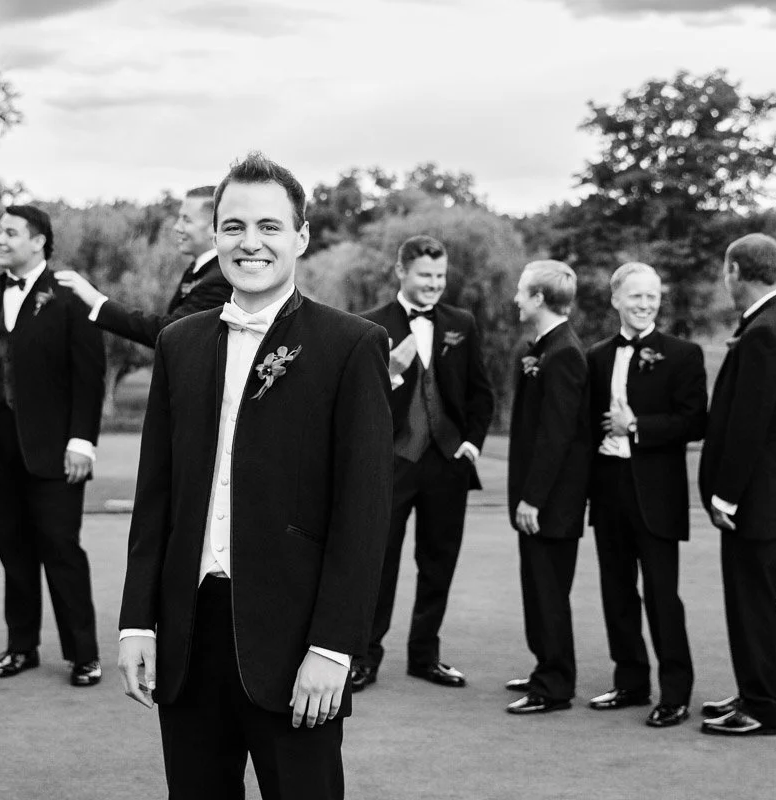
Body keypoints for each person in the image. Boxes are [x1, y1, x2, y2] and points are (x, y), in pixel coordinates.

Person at [116, 153, 393, 799]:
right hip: (188, 637)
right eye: (234, 226)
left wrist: (333, 646)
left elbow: (365, 509)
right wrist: (138, 623)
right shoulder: (178, 344)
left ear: (299, 237)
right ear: (215, 238)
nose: (251, 242)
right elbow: (156, 499)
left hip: (296, 640)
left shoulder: (351, 345)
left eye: (269, 226)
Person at [0, 204, 106, 687]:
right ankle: (22, 647)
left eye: (10, 232)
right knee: (12, 552)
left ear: (38, 242)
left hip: (56, 452)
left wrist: (82, 442)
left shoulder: (70, 297)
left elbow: (89, 375)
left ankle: (83, 654)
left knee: (61, 549)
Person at [353, 235, 494, 691]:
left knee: (438, 562)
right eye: (426, 275)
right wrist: (392, 370)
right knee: (379, 562)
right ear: (401, 272)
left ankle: (425, 656)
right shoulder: (369, 325)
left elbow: (480, 393)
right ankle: (364, 657)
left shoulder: (461, 323)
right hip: (391, 462)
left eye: (440, 276)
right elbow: (357, 402)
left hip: (447, 462)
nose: (435, 284)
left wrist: (471, 445)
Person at [698, 233, 776, 737]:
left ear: (737, 272)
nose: (726, 280)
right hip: (769, 499)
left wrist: (726, 493)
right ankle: (751, 691)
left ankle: (766, 706)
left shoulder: (768, 331)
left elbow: (752, 424)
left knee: (755, 605)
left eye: (727, 272)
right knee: (748, 603)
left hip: (760, 501)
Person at [585, 263, 706, 728]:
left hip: (657, 495)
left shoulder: (683, 354)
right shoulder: (595, 356)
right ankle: (630, 682)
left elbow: (695, 421)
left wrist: (636, 426)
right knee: (616, 594)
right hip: (609, 490)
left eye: (652, 296)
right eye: (635, 296)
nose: (645, 304)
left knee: (662, 597)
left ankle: (675, 693)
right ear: (615, 299)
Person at [504, 260, 592, 715]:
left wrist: (533, 498)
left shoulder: (564, 354)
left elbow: (557, 436)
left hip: (552, 504)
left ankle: (555, 686)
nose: (516, 299)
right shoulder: (542, 346)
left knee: (549, 593)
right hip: (539, 500)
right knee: (536, 590)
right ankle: (545, 668)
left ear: (539, 298)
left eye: (522, 292)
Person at [54, 186, 232, 346]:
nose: (177, 227)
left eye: (186, 220)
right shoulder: (200, 269)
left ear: (213, 227)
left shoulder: (218, 278)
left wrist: (96, 300)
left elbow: (170, 332)